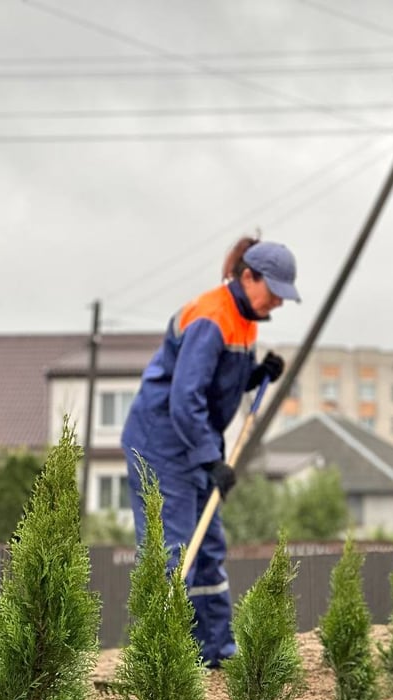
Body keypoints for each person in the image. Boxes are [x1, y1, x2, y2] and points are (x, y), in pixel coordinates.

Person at [121, 236, 298, 667]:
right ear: (247, 276)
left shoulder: (246, 320)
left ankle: (214, 649)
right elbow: (185, 400)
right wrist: (209, 459)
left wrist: (256, 376)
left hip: (196, 443)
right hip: (162, 443)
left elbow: (218, 384)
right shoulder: (211, 317)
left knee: (209, 548)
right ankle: (161, 658)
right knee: (175, 549)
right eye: (272, 290)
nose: (276, 302)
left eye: (281, 295)